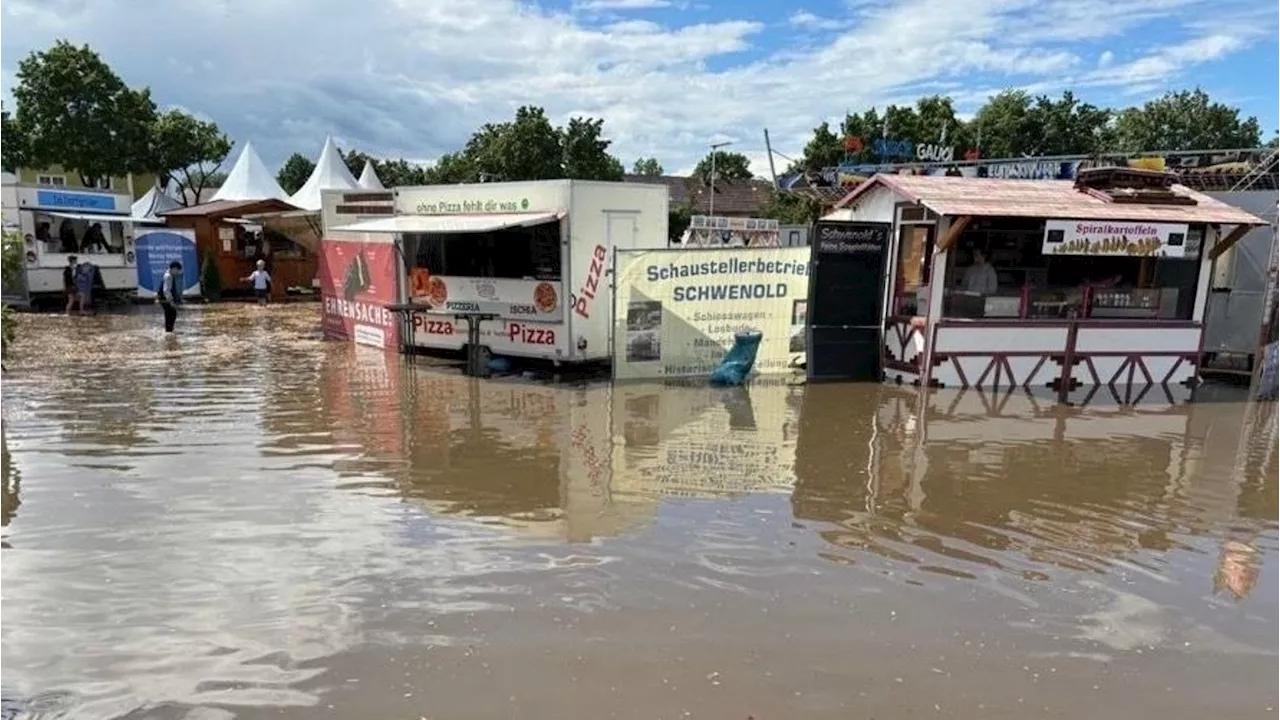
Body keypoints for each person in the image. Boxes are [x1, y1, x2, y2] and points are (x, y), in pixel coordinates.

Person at [157, 260, 183, 333]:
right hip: (165, 299)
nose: (178, 273)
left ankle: (169, 331)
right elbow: (166, 290)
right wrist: (171, 301)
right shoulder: (168, 276)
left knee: (171, 314)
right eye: (177, 270)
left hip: (164, 299)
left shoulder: (169, 275)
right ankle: (169, 331)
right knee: (171, 313)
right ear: (174, 268)